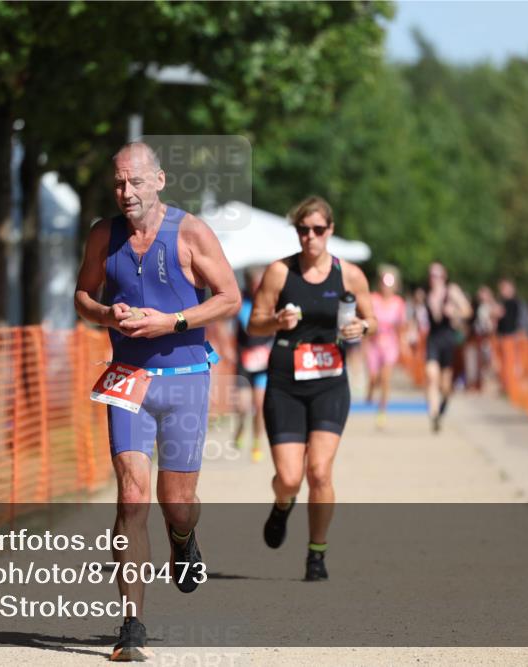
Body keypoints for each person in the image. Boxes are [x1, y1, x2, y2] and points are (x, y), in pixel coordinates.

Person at [74, 142, 241, 662]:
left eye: (136, 182)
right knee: (131, 497)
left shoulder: (189, 231)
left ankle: (182, 536)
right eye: (119, 183)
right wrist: (107, 315)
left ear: (160, 180)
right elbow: (82, 296)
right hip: (128, 380)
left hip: (186, 378)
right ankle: (132, 624)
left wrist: (173, 322)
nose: (127, 192)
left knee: (178, 502)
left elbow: (230, 296)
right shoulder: (104, 234)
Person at [246, 195, 376, 581]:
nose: (310, 237)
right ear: (297, 232)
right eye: (303, 230)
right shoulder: (279, 273)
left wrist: (361, 328)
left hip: (330, 383)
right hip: (285, 382)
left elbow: (373, 320)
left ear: (330, 231)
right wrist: (276, 323)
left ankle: (316, 553)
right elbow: (254, 324)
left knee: (319, 471)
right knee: (289, 477)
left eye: (318, 230)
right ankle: (282, 503)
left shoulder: (349, 275)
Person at [423, 262, 472, 433]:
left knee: (445, 385)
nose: (433, 279)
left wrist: (455, 313)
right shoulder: (428, 295)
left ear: (443, 277)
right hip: (433, 339)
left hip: (448, 339)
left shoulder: (451, 291)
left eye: (437, 275)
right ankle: (434, 413)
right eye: (431, 276)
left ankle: (443, 404)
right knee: (431, 376)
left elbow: (468, 310)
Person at [234, 266, 273, 461]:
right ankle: (240, 428)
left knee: (259, 406)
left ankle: (257, 442)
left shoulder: (270, 305)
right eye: (254, 283)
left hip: (264, 364)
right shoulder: (241, 304)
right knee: (242, 407)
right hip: (244, 363)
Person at [365, 265, 406, 428]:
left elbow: (401, 326)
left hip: (390, 343)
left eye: (390, 283)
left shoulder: (398, 303)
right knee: (374, 377)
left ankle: (382, 410)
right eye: (384, 282)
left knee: (385, 378)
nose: (386, 287)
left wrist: (404, 345)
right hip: (374, 343)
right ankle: (370, 390)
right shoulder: (373, 299)